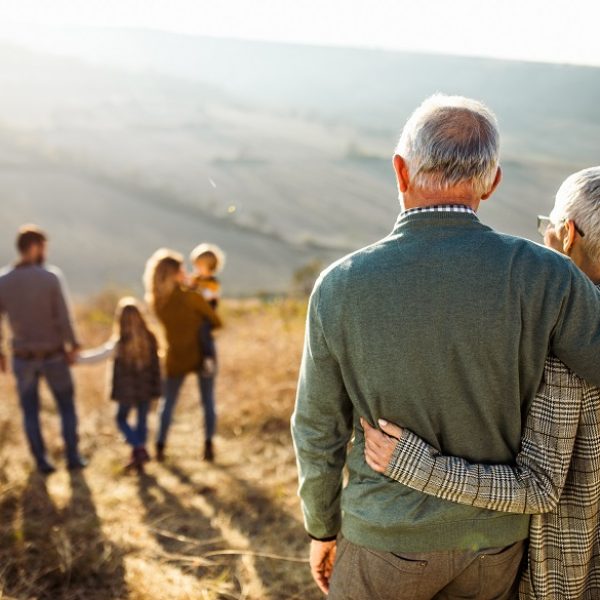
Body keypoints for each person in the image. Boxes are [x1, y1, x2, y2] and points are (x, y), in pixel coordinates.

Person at [291, 95, 600, 600]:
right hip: (496, 545)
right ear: (492, 181)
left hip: (384, 540)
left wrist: (321, 528)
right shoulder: (545, 275)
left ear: (400, 171)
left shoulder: (340, 285)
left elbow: (318, 428)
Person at [363, 166, 600, 599]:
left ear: (567, 235)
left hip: (574, 576)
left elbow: (540, 488)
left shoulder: (568, 360)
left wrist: (420, 467)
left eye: (547, 225)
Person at [0, 224, 86, 474]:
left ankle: (42, 462)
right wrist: (75, 345)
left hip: (22, 357)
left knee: (30, 411)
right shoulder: (50, 277)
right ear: (35, 247)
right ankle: (72, 457)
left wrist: (1, 353)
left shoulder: (4, 280)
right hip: (53, 355)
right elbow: (63, 317)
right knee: (66, 406)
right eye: (43, 246)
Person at [143, 249, 222, 463]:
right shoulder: (192, 297)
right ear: (175, 273)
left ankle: (159, 446)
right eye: (182, 269)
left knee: (167, 403)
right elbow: (216, 320)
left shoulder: (157, 302)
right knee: (208, 401)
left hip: (175, 354)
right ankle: (208, 446)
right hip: (202, 353)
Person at [78, 298, 161, 473]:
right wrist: (157, 386)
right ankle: (139, 454)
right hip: (146, 388)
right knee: (141, 422)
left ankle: (138, 449)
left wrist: (76, 359)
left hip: (127, 391)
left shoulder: (120, 342)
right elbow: (157, 366)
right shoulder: (150, 338)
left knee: (121, 419)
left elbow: (98, 356)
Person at [188, 243, 225, 378]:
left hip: (207, 315)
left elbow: (209, 296)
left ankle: (208, 358)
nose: (197, 269)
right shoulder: (195, 279)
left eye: (200, 266)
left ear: (210, 267)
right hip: (195, 315)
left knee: (204, 333)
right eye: (195, 265)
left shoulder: (213, 282)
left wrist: (197, 289)